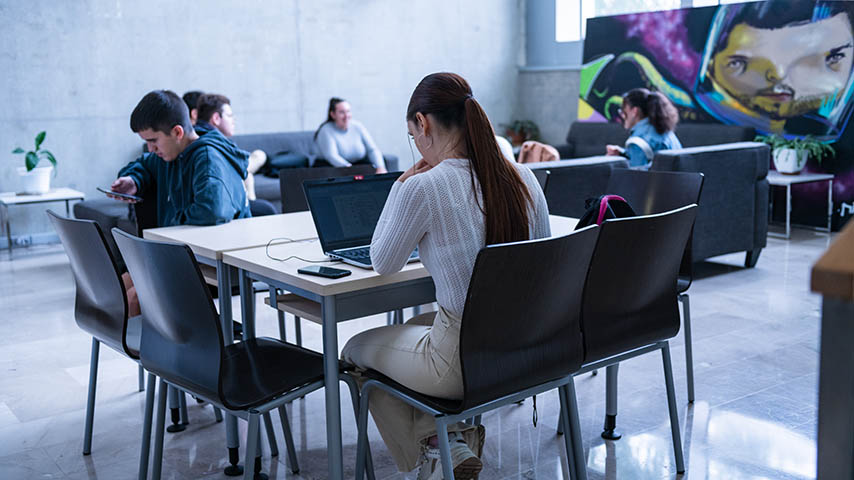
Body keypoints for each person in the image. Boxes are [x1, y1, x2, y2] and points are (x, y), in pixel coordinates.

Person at [340, 73, 551, 479]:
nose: (416, 145)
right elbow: (538, 262)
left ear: (424, 124)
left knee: (353, 351)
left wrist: (402, 185)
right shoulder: (525, 178)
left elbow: (382, 260)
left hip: (460, 361)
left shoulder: (425, 186)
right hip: (526, 349)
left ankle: (438, 448)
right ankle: (448, 443)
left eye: (411, 135)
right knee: (419, 324)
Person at [110, 90, 251, 316]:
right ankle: (153, 349)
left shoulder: (207, 157)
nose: (151, 149)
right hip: (186, 255)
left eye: (153, 141)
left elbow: (212, 211)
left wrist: (168, 226)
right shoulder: (170, 154)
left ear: (177, 132)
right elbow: (144, 165)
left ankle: (155, 350)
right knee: (119, 285)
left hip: (219, 264)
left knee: (136, 297)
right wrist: (133, 179)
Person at [195, 93, 268, 201]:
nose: (233, 120)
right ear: (216, 118)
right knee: (256, 162)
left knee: (250, 170)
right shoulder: (213, 141)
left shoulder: (198, 134)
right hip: (225, 200)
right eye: (229, 116)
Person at [606, 88, 682, 167]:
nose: (622, 115)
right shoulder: (665, 130)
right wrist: (623, 153)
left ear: (634, 111)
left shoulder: (638, 141)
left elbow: (637, 176)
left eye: (623, 110)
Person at [314, 97, 388, 173]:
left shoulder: (358, 126)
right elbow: (332, 156)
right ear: (333, 114)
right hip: (333, 168)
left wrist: (380, 167)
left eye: (348, 111)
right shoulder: (325, 130)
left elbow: (372, 149)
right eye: (342, 112)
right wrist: (351, 170)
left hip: (355, 166)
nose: (346, 116)